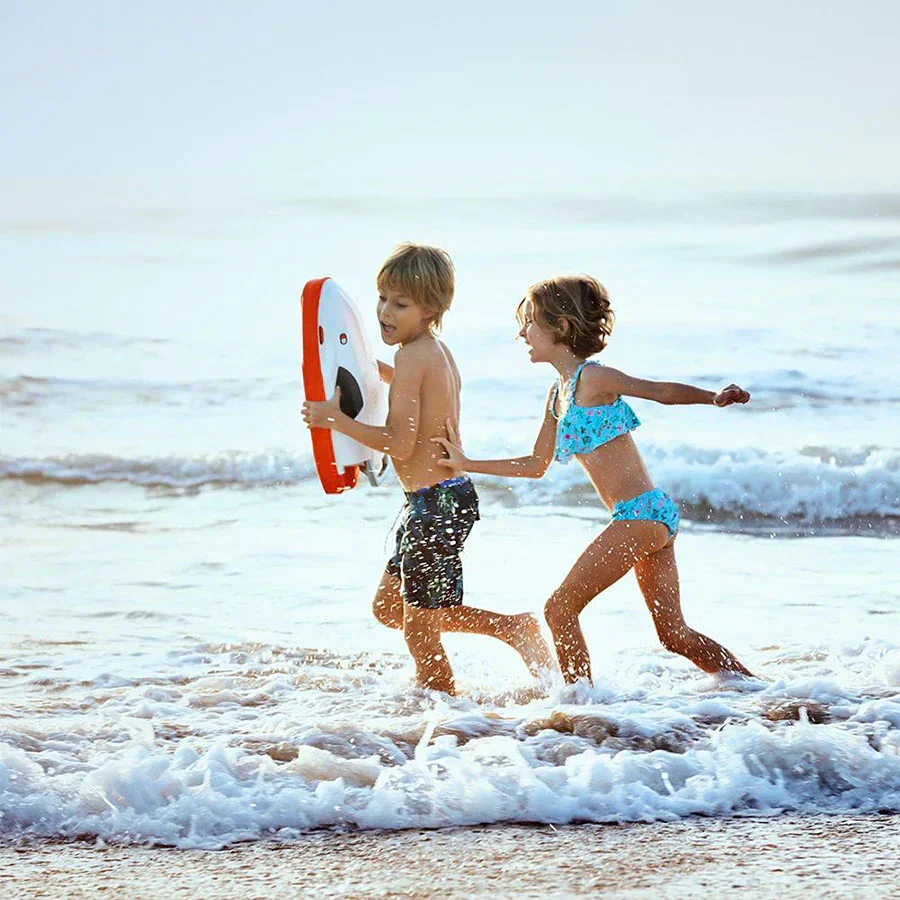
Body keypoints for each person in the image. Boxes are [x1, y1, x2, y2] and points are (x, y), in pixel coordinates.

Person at [433, 274, 754, 685]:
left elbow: (659, 392)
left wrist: (712, 397)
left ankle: (581, 709)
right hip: (645, 517)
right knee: (674, 635)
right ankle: (755, 691)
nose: (522, 333)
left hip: (641, 516)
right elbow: (534, 464)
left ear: (561, 327)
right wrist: (466, 462)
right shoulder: (557, 394)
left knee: (559, 609)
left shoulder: (593, 379)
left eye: (530, 322)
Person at [302, 243, 553, 695]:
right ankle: (512, 629)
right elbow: (413, 393)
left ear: (431, 309)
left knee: (419, 629)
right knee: (390, 609)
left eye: (400, 303)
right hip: (436, 501)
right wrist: (362, 369)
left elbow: (400, 441)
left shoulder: (412, 357)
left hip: (436, 506)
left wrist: (334, 420)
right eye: (381, 298)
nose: (384, 311)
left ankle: (444, 718)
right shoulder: (431, 352)